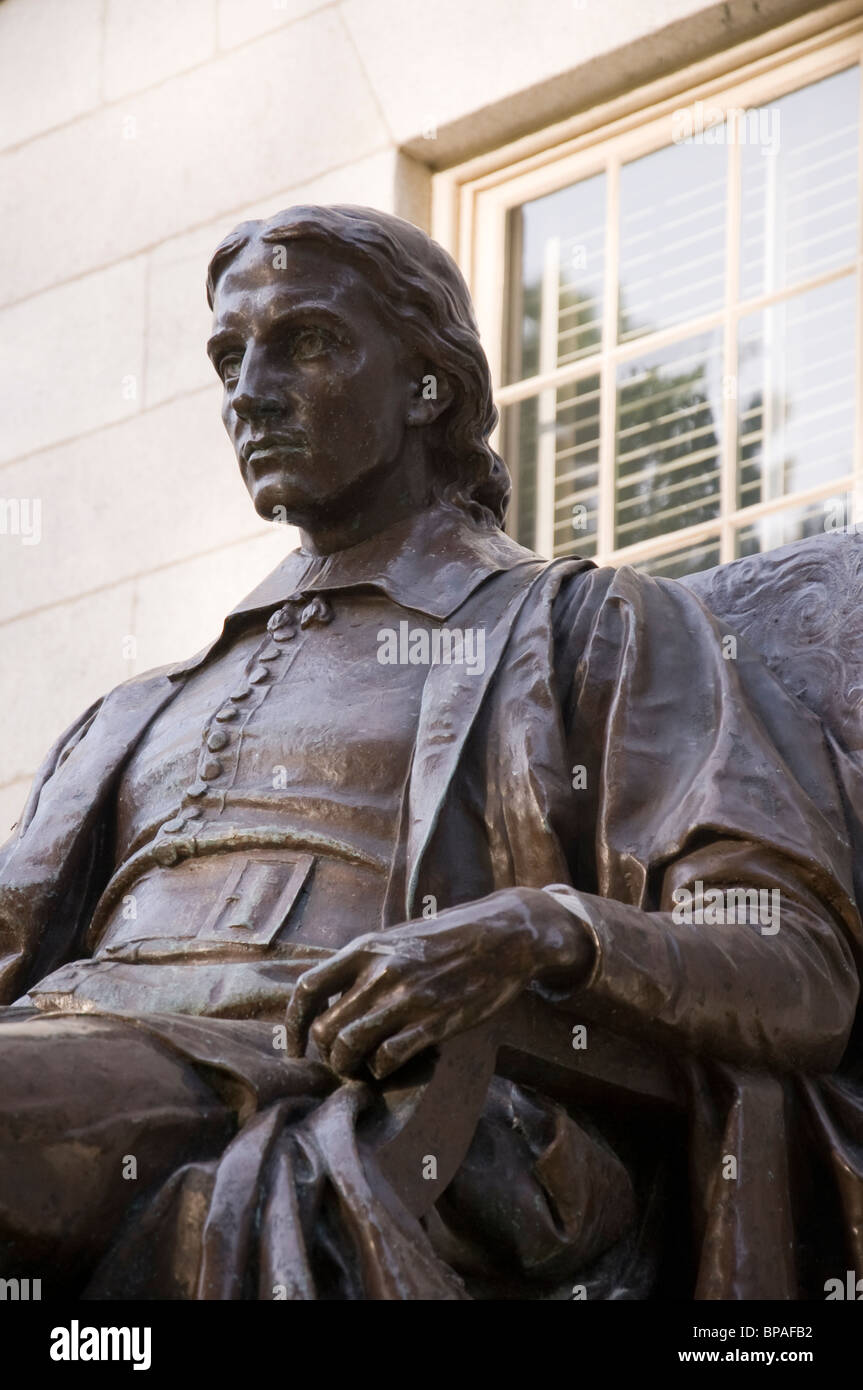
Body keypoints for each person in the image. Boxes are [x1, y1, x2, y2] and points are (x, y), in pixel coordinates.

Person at [0, 205, 859, 1301]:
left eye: (307, 343)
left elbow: (795, 969)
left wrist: (542, 928)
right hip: (66, 1037)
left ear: (427, 388)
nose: (248, 391)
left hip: (340, 1069)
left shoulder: (588, 626)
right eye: (229, 354)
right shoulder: (131, 711)